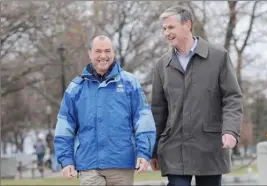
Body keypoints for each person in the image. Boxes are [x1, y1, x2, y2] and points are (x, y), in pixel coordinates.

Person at [150, 6, 243, 186]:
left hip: (210, 147)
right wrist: (153, 151)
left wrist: (230, 130)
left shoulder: (218, 57)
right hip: (174, 147)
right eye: (164, 29)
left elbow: (232, 98)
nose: (166, 33)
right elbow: (158, 111)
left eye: (171, 27)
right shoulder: (162, 65)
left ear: (187, 25)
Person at [54, 35, 156, 185]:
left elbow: (143, 120)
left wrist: (144, 152)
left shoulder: (130, 83)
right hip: (88, 164)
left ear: (113, 53)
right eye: (98, 51)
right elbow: (64, 126)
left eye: (108, 51)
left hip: (121, 163)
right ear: (90, 53)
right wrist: (66, 159)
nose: (103, 56)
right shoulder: (75, 88)